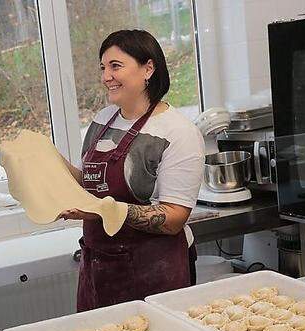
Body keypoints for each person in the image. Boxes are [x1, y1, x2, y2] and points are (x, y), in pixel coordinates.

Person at [61, 29, 204, 312]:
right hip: (98, 268)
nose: (106, 77)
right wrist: (47, 165)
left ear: (148, 68)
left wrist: (102, 211)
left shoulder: (177, 132)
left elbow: (174, 218)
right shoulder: (103, 120)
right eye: (103, 68)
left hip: (153, 273)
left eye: (116, 66)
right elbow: (90, 186)